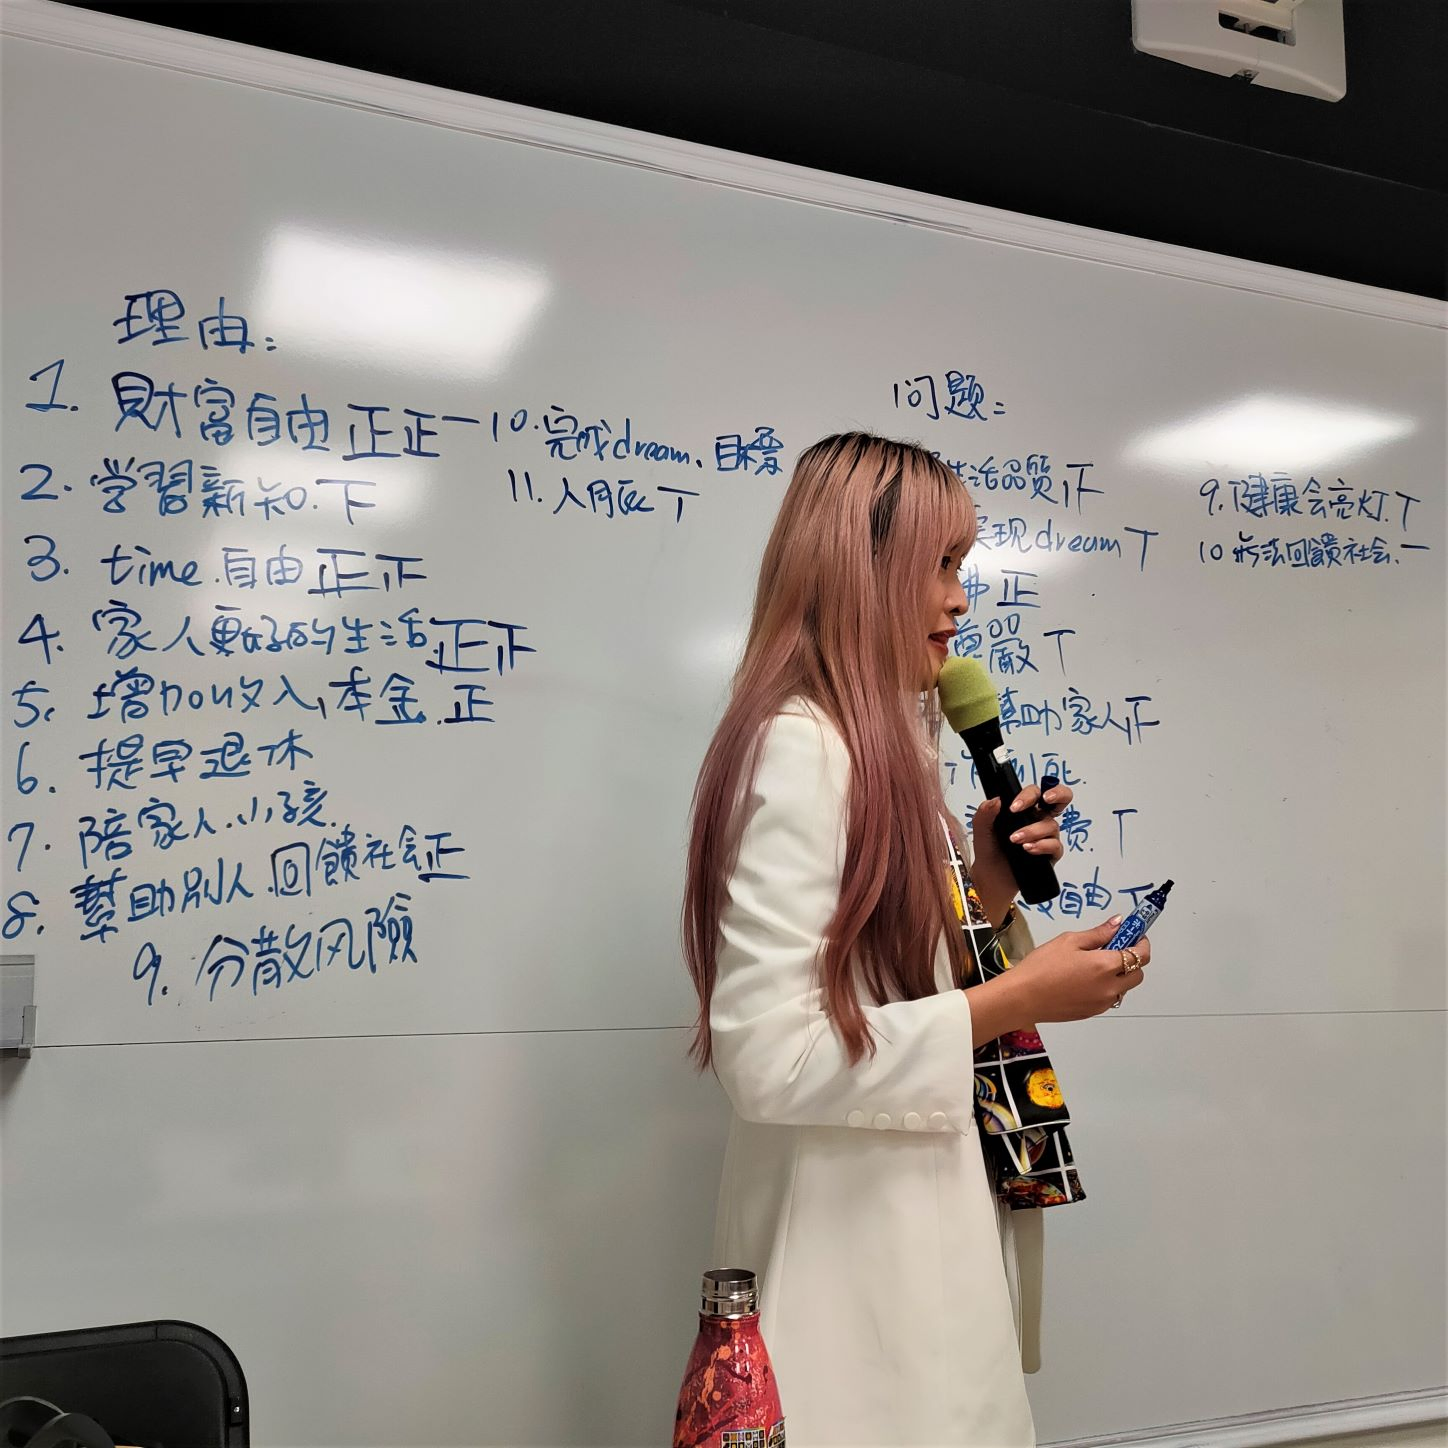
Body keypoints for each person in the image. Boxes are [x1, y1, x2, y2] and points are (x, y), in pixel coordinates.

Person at [681, 433, 1151, 1446]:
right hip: (855, 1268)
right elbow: (770, 1057)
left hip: (917, 1243)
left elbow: (890, 977)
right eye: (939, 565)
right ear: (861, 570)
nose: (959, 601)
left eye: (961, 566)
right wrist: (1021, 996)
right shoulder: (802, 751)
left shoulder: (880, 749)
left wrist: (984, 883)